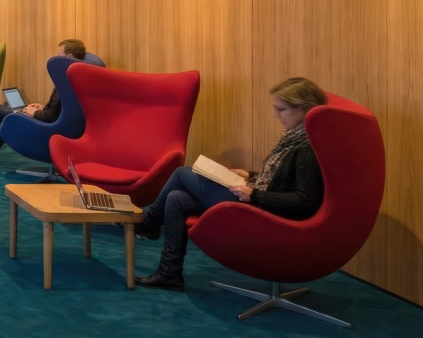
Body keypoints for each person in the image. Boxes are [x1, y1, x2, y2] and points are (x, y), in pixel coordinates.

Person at [135, 77, 328, 291]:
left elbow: (304, 201)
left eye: (281, 109)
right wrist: (249, 175)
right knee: (176, 198)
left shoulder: (307, 147)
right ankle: (168, 274)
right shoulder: (295, 137)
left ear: (301, 108)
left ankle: (149, 224)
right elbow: (279, 179)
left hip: (266, 211)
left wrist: (254, 195)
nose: (276, 115)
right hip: (260, 200)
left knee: (182, 173)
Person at [0, 38, 87, 172]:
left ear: (68, 57)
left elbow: (50, 118)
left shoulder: (65, 81)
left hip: (46, 128)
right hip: (51, 124)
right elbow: (60, 111)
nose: (55, 57)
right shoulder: (75, 76)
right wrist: (42, 107)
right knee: (0, 110)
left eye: (58, 54)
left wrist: (34, 113)